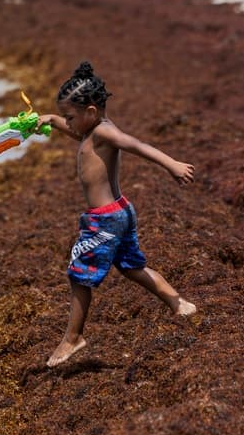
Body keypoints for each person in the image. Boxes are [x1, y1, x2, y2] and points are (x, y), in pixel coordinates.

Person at [37, 61, 197, 368]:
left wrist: (172, 164)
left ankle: (73, 338)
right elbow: (72, 131)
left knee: (79, 276)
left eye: (71, 117)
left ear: (92, 112)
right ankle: (179, 303)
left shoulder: (104, 133)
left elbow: (137, 145)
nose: (68, 123)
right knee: (131, 267)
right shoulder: (91, 131)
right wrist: (50, 120)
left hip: (104, 219)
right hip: (120, 211)